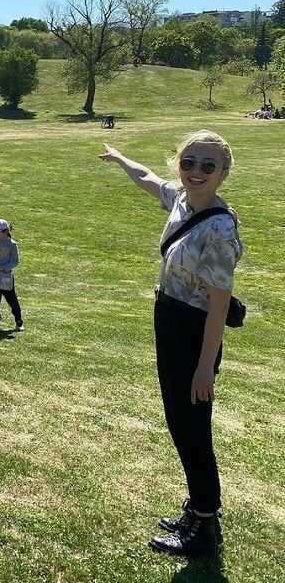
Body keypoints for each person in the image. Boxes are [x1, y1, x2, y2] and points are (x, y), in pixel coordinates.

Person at [99, 131, 243, 556]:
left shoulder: (218, 228)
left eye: (207, 166)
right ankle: (198, 510)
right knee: (180, 421)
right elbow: (147, 179)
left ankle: (203, 523)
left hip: (194, 330)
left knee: (191, 426)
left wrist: (204, 367)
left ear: (223, 173)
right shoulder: (182, 200)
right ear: (179, 165)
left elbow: (218, 306)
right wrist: (120, 156)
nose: (196, 172)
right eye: (189, 163)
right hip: (170, 317)